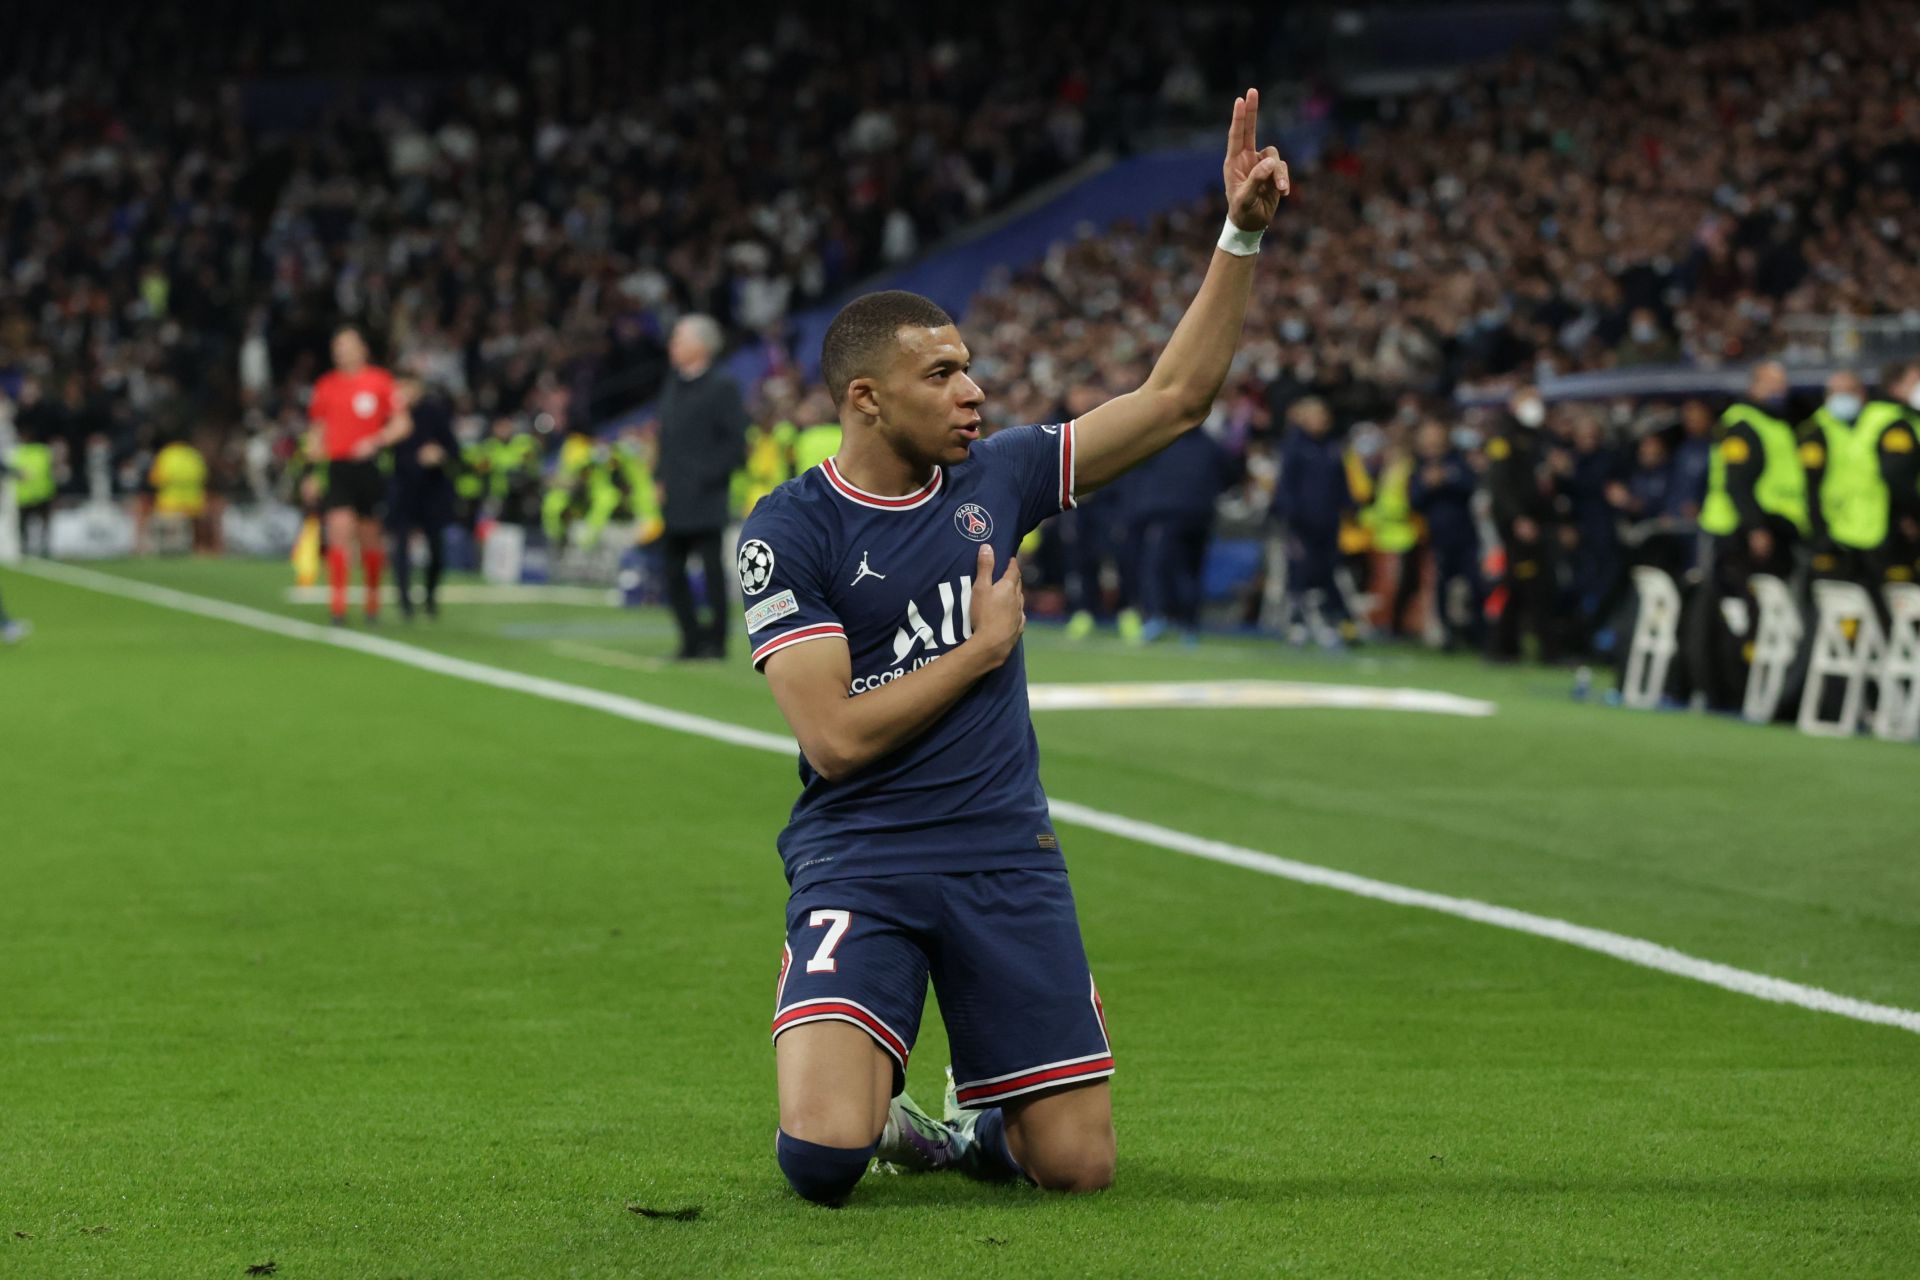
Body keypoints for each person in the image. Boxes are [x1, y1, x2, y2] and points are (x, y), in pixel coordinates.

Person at [738, 91, 1287, 1207]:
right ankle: (872, 1081)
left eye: (970, 366)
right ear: (865, 397)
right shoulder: (789, 529)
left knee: (1077, 1169)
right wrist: (979, 653)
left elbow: (1176, 398)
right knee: (822, 1160)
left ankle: (976, 1125)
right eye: (941, 374)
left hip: (1003, 851)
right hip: (864, 853)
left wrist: (1241, 234)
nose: (974, 389)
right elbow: (836, 739)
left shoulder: (1003, 475)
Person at [1688, 360, 1807, 709]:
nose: (1780, 389)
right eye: (1774, 382)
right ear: (1755, 383)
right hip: (1736, 535)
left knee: (1755, 616)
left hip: (1768, 533)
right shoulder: (1742, 423)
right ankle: (1724, 691)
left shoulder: (1776, 425)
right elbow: (1737, 482)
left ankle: (1749, 691)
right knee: (1735, 615)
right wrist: (1755, 528)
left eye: (1783, 383)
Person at [656, 315, 748, 659]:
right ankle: (690, 638)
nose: (672, 346)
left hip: (706, 497)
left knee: (712, 570)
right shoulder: (673, 384)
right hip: (675, 496)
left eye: (679, 339)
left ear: (700, 346)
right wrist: (659, 478)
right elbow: (665, 439)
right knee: (671, 570)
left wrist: (705, 478)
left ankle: (717, 642)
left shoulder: (722, 386)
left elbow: (736, 445)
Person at [308, 326, 412, 625]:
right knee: (339, 528)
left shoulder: (380, 382)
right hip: (338, 466)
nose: (341, 351)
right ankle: (338, 605)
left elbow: (402, 424)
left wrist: (375, 441)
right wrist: (313, 469)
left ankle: (372, 602)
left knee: (370, 536)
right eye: (337, 347)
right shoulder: (326, 385)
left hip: (370, 467)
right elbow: (317, 430)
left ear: (362, 349)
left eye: (347, 345)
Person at [1132, 422, 1234, 643]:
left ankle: (1157, 617)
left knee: (1158, 568)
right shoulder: (1212, 445)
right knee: (1190, 572)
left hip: (1167, 515)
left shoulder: (1162, 439)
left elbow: (1141, 475)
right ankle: (1189, 625)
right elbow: (1229, 475)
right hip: (1200, 516)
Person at [1271, 396, 1355, 646]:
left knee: (1326, 571)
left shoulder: (1331, 447)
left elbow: (1341, 482)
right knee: (1300, 571)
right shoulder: (1294, 447)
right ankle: (1297, 621)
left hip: (1328, 522)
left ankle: (1329, 621)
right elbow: (1286, 484)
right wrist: (1290, 514)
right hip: (1302, 523)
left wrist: (1349, 507)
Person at [1486, 386, 1559, 662]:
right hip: (1517, 526)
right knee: (1525, 584)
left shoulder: (1538, 439)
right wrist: (1517, 518)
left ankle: (1505, 646)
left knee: (1526, 585)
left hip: (1537, 523)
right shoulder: (1505, 440)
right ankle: (1511, 646)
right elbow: (1500, 485)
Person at [1408, 417, 1484, 651]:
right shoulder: (1418, 467)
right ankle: (1447, 635)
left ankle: (1480, 634)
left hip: (1466, 535)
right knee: (1442, 587)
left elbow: (1470, 485)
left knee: (1476, 584)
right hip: (1437, 537)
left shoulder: (1458, 461)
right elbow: (1414, 501)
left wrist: (1446, 479)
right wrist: (1428, 485)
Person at [387, 376, 459, 619]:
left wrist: (438, 454)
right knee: (400, 545)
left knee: (437, 548)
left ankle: (430, 597)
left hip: (432, 489)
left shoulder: (434, 413)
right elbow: (388, 451)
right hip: (404, 487)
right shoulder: (392, 414)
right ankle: (405, 602)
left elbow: (453, 449)